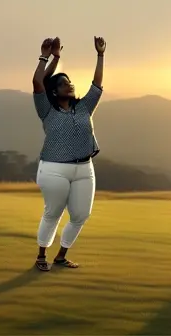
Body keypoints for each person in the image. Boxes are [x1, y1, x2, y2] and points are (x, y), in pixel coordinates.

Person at [31, 36, 107, 271]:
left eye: (70, 82)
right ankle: (41, 256)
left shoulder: (84, 107)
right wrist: (48, 57)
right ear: (54, 92)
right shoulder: (46, 109)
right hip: (54, 168)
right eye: (63, 84)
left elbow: (97, 84)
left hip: (85, 168)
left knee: (81, 215)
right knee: (53, 213)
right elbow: (37, 82)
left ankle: (61, 256)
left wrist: (100, 54)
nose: (69, 85)